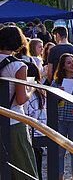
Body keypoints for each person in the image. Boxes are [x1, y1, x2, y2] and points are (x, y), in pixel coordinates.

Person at [0, 26, 39, 179]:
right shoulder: (18, 66)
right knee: (24, 168)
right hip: (13, 121)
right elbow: (21, 99)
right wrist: (32, 89)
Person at [50, 53, 73, 180]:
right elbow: (50, 101)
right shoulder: (55, 82)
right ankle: (60, 176)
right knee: (59, 151)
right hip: (60, 119)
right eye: (69, 62)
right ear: (63, 66)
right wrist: (57, 93)